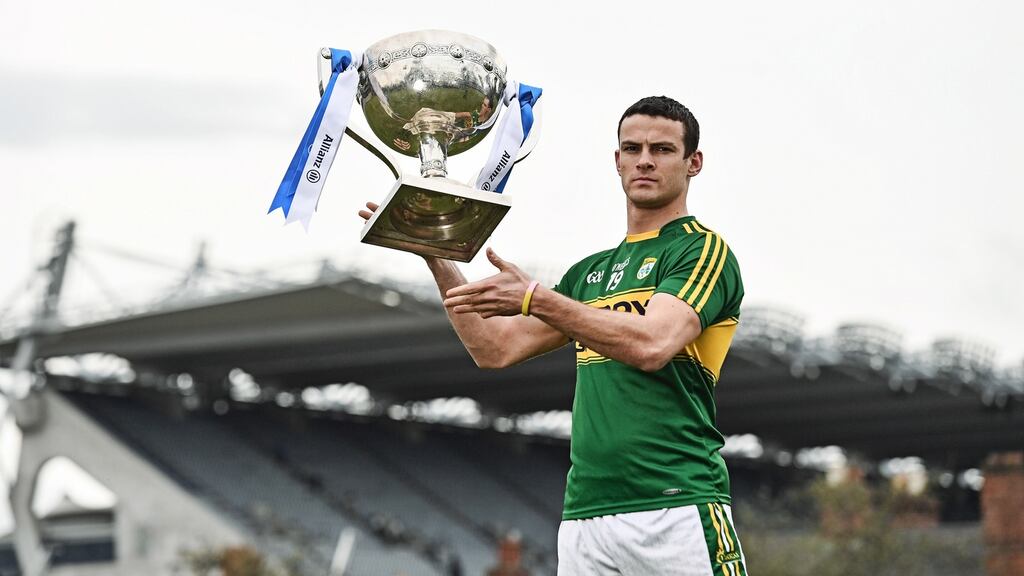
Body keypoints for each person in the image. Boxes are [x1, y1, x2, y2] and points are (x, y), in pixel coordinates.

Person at [359, 96, 747, 576]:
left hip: (676, 505)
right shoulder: (590, 274)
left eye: (662, 150)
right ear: (617, 161)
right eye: (632, 148)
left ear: (694, 163)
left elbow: (652, 345)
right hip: (586, 515)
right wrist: (433, 253)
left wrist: (536, 296)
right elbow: (495, 347)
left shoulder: (701, 250)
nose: (645, 160)